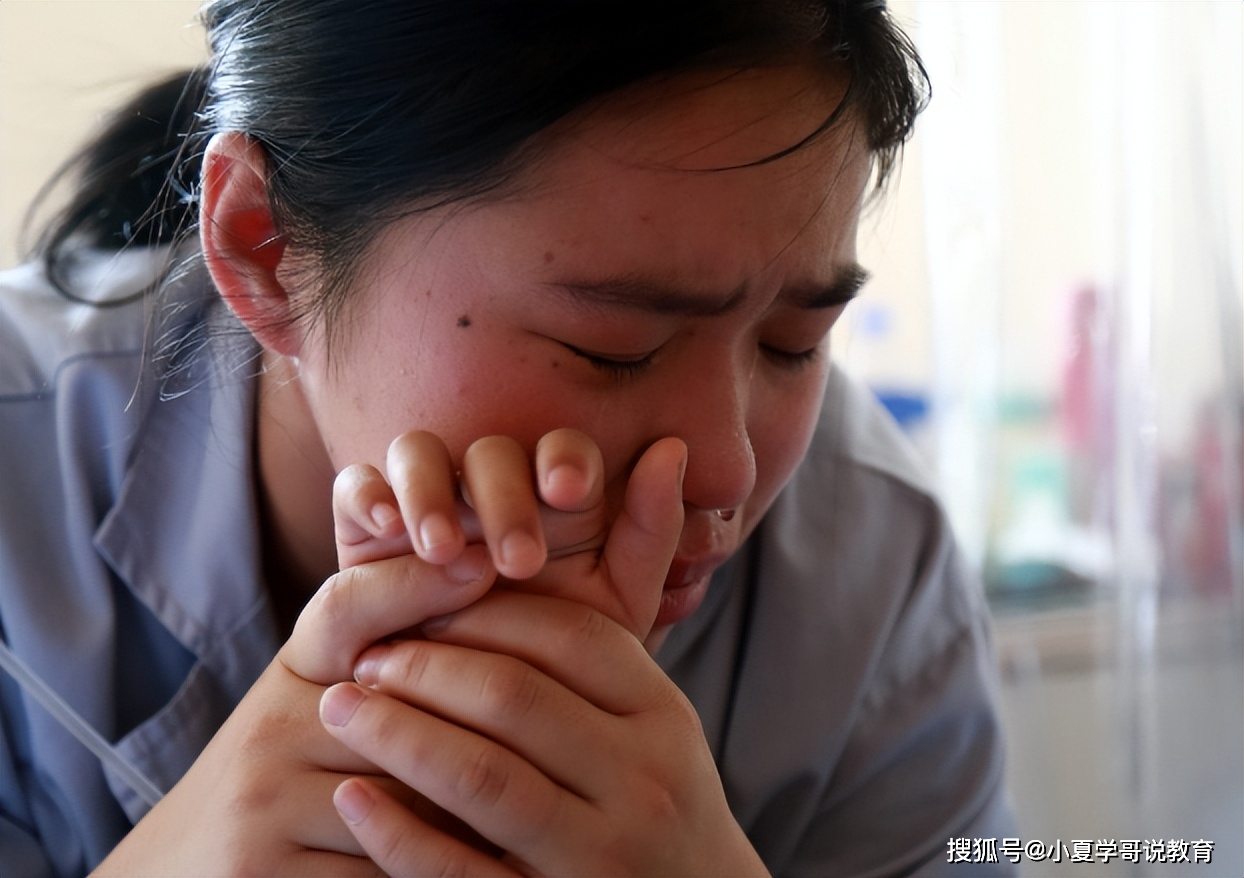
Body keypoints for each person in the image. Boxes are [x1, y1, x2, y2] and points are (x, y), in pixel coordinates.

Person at [0, 1, 1018, 874]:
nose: (725, 469)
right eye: (611, 346)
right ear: (263, 248)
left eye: (794, 344)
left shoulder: (872, 568)